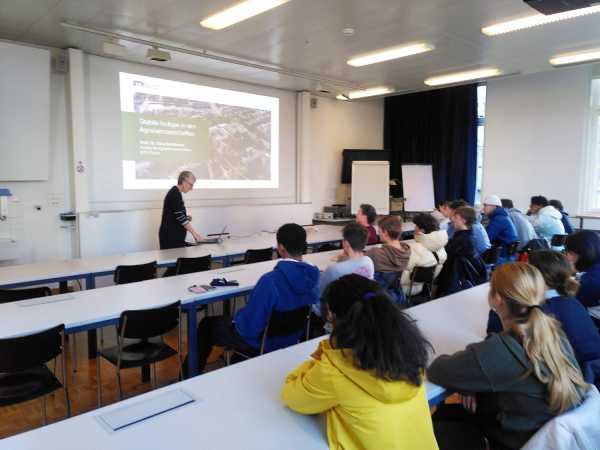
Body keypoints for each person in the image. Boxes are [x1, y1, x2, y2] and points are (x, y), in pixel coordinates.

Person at [429, 262, 587, 450]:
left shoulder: (502, 350)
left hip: (514, 441)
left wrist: (467, 379)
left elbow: (437, 370)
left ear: (497, 299)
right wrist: (471, 380)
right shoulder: (553, 333)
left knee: (441, 421)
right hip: (550, 436)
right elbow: (494, 356)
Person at [281, 274, 438, 450]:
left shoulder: (335, 371)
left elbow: (292, 396)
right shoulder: (409, 353)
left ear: (331, 316)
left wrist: (325, 357)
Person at [184, 223, 319, 375]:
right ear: (304, 246)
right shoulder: (314, 278)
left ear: (280, 248)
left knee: (206, 325)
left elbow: (249, 328)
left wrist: (237, 319)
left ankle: (188, 378)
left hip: (262, 342)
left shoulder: (270, 281)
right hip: (292, 338)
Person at [487, 250, 600, 385]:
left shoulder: (539, 311)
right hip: (588, 376)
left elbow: (497, 336)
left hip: (577, 383)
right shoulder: (570, 301)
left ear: (536, 277)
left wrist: (500, 303)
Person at [435, 206, 487, 296]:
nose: (453, 219)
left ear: (464, 221)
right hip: (465, 279)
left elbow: (447, 260)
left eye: (456, 217)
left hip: (455, 281)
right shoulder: (470, 236)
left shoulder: (461, 240)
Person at [318, 223, 374, 298]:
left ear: (346, 243)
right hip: (361, 304)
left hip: (338, 306)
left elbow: (319, 292)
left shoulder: (334, 269)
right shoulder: (368, 261)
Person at [366, 215, 411, 303]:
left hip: (377, 296)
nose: (378, 234)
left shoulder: (375, 253)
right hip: (398, 295)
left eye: (379, 231)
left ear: (385, 233)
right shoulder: (406, 251)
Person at [401, 213, 448, 296]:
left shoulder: (415, 250)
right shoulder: (442, 249)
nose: (414, 228)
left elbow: (401, 271)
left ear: (421, 231)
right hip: (424, 287)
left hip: (405, 289)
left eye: (416, 226)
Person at [158, 171, 203, 249]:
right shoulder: (174, 194)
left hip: (175, 238)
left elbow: (177, 215)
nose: (191, 188)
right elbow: (181, 218)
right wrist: (195, 234)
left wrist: (186, 218)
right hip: (171, 239)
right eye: (191, 185)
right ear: (184, 181)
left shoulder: (176, 193)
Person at [565, 230, 600, 307]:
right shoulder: (594, 267)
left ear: (585, 254)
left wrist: (572, 274)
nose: (567, 257)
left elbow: (569, 297)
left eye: (571, 253)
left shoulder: (587, 281)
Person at [482, 195, 519, 262]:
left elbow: (486, 239)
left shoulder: (499, 219)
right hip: (508, 255)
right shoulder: (502, 217)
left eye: (485, 205)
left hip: (503, 257)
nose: (483, 208)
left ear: (494, 206)